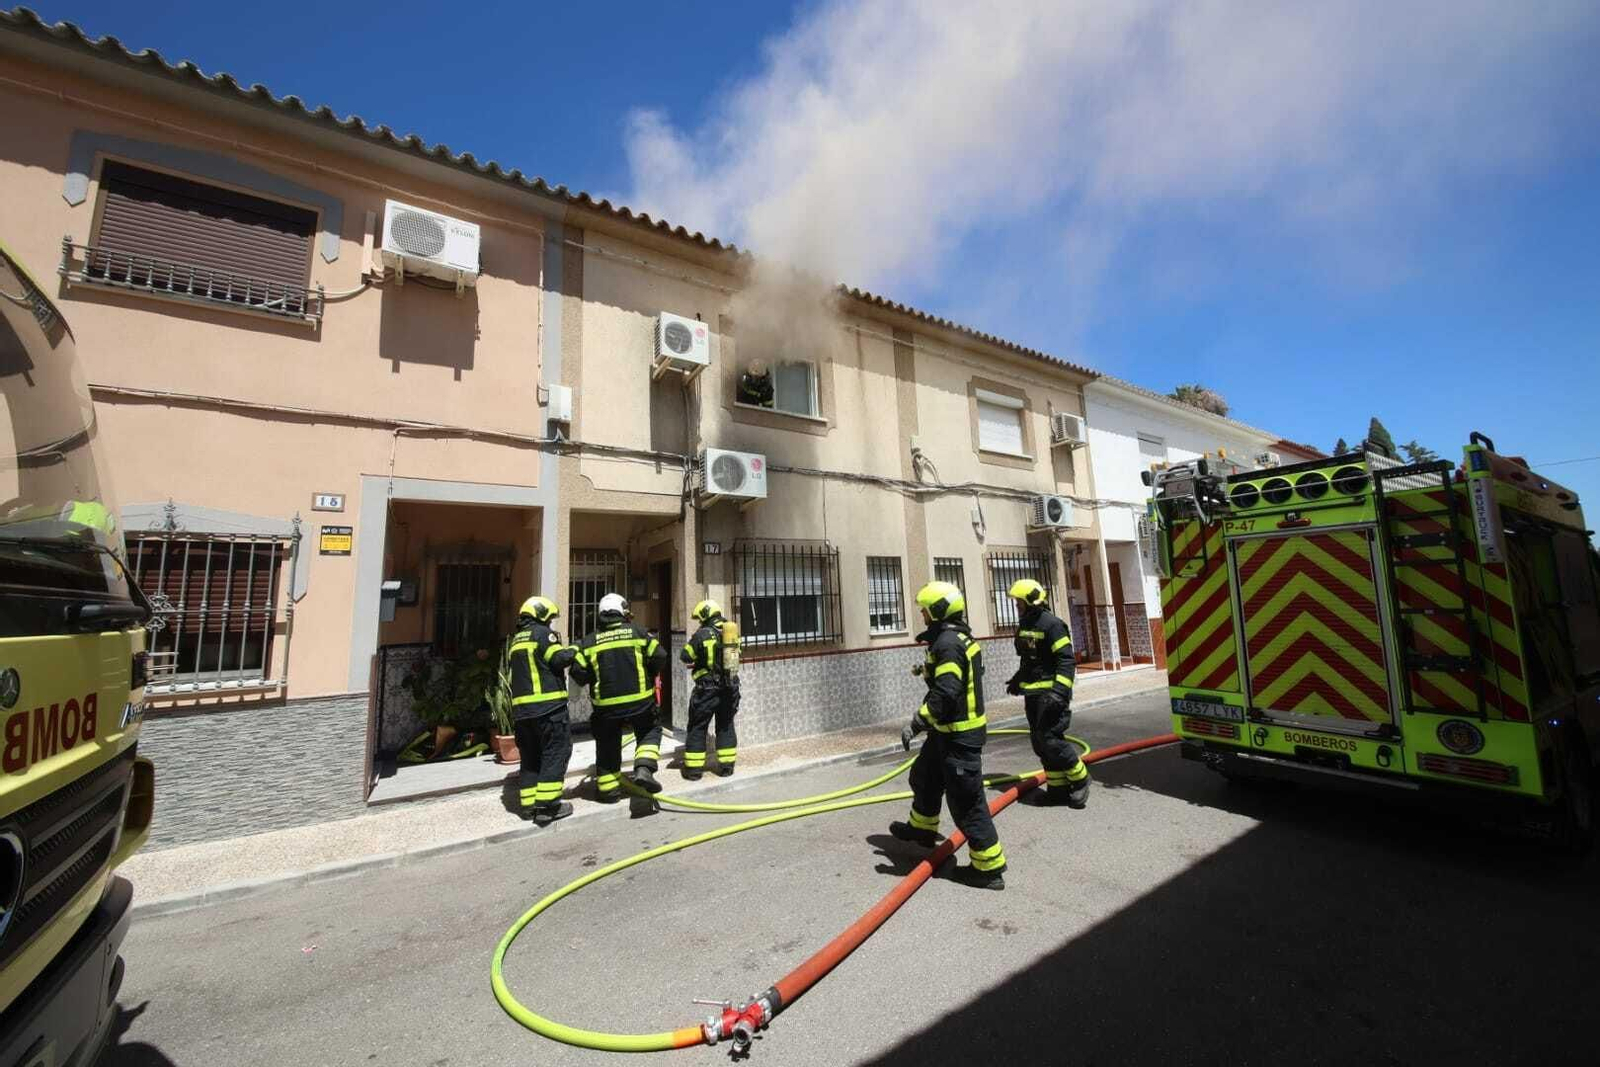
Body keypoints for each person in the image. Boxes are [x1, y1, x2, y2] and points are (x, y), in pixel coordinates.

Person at [890, 580, 1008, 890]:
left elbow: (945, 693)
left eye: (926, 612)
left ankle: (988, 868)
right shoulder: (953, 639)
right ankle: (923, 829)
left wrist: (916, 723)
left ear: (939, 611)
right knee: (924, 777)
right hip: (945, 734)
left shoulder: (949, 644)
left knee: (967, 804)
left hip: (959, 737)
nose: (924, 617)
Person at [571, 593, 669, 801]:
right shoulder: (638, 633)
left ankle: (608, 791)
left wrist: (593, 677)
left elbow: (577, 673)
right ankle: (644, 769)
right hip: (641, 702)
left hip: (605, 708)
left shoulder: (588, 641)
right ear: (622, 612)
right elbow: (660, 655)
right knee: (649, 731)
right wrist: (650, 673)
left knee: (607, 744)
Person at [1004, 578, 1089, 808]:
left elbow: (1066, 659)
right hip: (1033, 694)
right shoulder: (1025, 626)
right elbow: (1029, 660)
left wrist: (1060, 692)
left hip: (1051, 694)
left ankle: (1080, 779)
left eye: (1019, 602)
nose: (1016, 606)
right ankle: (1057, 789)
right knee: (1040, 743)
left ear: (1030, 601)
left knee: (1051, 740)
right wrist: (1017, 680)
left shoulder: (1052, 625)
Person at [508, 596, 578, 825]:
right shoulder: (542, 634)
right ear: (540, 615)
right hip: (548, 709)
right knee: (555, 753)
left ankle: (528, 806)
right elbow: (558, 660)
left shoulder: (516, 640)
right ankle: (548, 806)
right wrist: (575, 649)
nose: (550, 623)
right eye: (549, 618)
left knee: (530, 758)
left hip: (522, 714)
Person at [679, 599, 740, 780]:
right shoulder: (730, 632)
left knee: (698, 727)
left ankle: (694, 771)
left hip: (706, 690)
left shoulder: (702, 634)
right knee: (726, 725)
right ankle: (727, 767)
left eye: (700, 618)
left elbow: (685, 657)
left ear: (705, 615)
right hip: (730, 688)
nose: (699, 622)